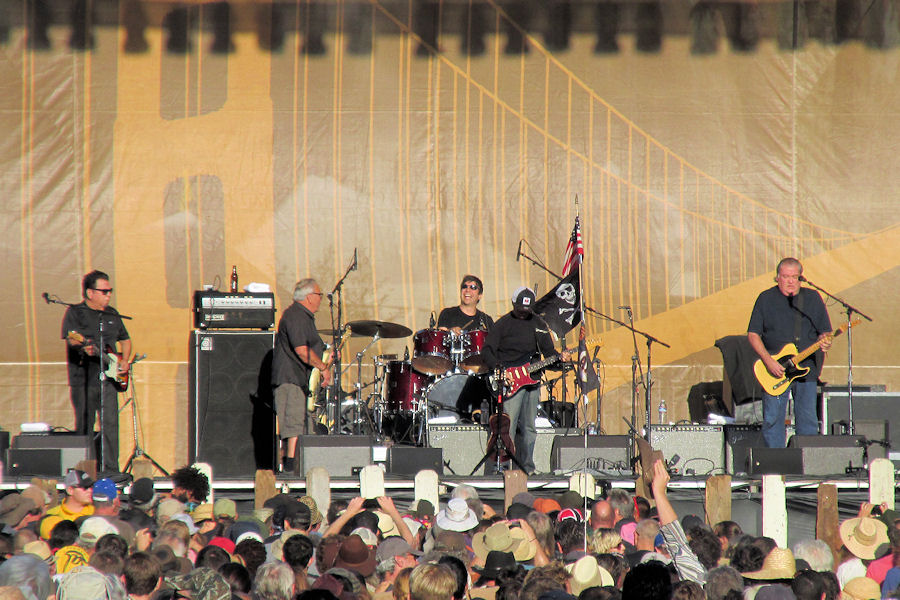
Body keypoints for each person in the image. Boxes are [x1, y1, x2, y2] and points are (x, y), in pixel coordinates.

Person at [482, 286, 570, 474]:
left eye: (527, 311)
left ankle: (526, 468)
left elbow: (549, 354)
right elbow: (487, 349)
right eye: (520, 310)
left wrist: (560, 359)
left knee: (529, 427)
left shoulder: (538, 323)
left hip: (532, 381)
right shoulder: (503, 323)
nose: (524, 314)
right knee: (508, 427)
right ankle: (504, 467)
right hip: (509, 380)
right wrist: (499, 369)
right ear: (514, 304)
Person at [747, 257, 832, 448]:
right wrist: (768, 361)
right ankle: (775, 466)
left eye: (795, 277)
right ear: (777, 277)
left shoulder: (812, 298)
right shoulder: (765, 298)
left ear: (801, 278)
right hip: (775, 368)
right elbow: (753, 334)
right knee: (773, 420)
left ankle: (806, 465)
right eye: (786, 276)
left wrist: (825, 342)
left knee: (808, 419)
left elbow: (824, 332)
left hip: (806, 369)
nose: (790, 281)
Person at [62, 270, 132, 472]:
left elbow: (125, 340)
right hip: (84, 379)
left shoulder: (111, 313)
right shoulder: (75, 312)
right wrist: (82, 346)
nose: (108, 295)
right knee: (85, 424)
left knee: (110, 424)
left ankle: (111, 469)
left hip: (108, 379)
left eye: (110, 291)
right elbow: (72, 338)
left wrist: (124, 361)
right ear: (90, 292)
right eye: (104, 291)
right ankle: (85, 470)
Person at [271, 278, 333, 472]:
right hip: (289, 379)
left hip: (298, 380)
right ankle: (289, 470)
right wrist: (323, 367)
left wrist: (327, 356)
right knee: (294, 426)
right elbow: (302, 350)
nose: (321, 299)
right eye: (319, 295)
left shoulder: (303, 317)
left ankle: (295, 468)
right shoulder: (296, 316)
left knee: (301, 426)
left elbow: (310, 349)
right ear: (309, 297)